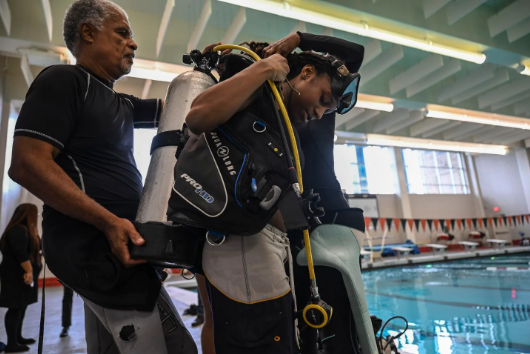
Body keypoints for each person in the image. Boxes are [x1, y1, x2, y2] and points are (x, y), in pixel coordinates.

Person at [8, 0, 195, 353]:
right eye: (122, 33)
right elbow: (27, 164)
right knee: (178, 349)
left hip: (114, 247)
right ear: (88, 33)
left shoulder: (119, 103)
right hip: (97, 247)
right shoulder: (64, 81)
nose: (133, 43)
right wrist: (109, 222)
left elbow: (186, 108)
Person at [170, 31, 364, 354]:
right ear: (305, 73)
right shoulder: (262, 91)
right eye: (323, 100)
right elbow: (199, 114)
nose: (320, 113)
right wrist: (270, 63)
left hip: (265, 248)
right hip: (245, 248)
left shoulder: (283, 121)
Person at [0, 204, 42, 353]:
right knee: (15, 307)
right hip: (16, 276)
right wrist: (29, 271)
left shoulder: (26, 231)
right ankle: (12, 344)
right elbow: (21, 254)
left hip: (23, 276)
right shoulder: (18, 230)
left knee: (21, 306)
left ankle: (17, 337)